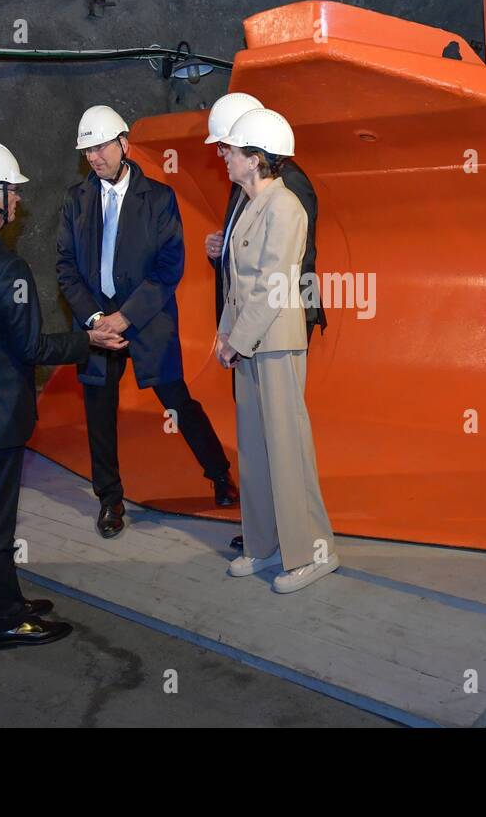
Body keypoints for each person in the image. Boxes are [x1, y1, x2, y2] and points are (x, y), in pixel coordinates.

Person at [0, 140, 120, 650]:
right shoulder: (5, 267)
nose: (17, 202)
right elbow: (31, 345)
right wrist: (89, 339)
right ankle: (6, 620)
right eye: (11, 192)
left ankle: (0, 599)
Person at [56, 105, 237, 541]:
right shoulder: (75, 200)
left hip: (147, 322)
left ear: (123, 144)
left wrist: (125, 316)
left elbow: (169, 267)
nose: (93, 158)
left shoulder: (158, 197)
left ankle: (219, 473)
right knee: (98, 413)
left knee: (177, 402)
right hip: (98, 327)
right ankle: (110, 499)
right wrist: (97, 319)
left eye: (100, 147)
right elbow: (65, 267)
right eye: (86, 151)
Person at [214, 108, 338, 594]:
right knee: (257, 447)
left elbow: (272, 284)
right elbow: (236, 282)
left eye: (232, 150)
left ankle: (312, 552)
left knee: (287, 448)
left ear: (257, 158)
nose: (224, 156)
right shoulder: (250, 203)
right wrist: (228, 336)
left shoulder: (285, 207)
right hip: (249, 343)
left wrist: (237, 340)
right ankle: (264, 544)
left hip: (275, 343)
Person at [203, 93, 326, 342]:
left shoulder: (289, 182)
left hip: (281, 317)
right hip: (254, 313)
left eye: (225, 146)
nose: (221, 154)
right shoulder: (245, 180)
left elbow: (290, 258)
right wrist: (224, 248)